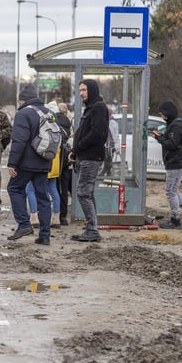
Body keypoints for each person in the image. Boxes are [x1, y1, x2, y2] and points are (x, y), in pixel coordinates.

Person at [5, 84, 53, 245]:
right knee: (43, 197)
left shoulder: (23, 113)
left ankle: (24, 224)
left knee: (14, 188)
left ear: (22, 100)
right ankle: (45, 236)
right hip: (45, 161)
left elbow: (19, 140)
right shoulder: (49, 112)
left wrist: (12, 163)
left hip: (26, 162)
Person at [69, 79, 109, 242]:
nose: (81, 93)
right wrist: (75, 151)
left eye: (84, 90)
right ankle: (92, 228)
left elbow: (97, 133)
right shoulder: (91, 108)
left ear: (92, 90)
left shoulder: (98, 108)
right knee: (87, 193)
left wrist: (79, 146)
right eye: (80, 90)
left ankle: (92, 230)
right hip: (86, 156)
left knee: (83, 193)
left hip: (91, 157)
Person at [151, 101, 182, 228]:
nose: (161, 116)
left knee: (170, 192)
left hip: (177, 163)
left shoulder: (176, 125)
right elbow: (172, 141)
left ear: (168, 112)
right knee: (173, 190)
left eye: (162, 113)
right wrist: (161, 136)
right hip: (176, 163)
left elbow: (172, 144)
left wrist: (158, 138)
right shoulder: (173, 124)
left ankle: (175, 220)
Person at [51, 101, 73, 225]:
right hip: (65, 159)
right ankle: (62, 216)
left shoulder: (53, 120)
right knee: (63, 188)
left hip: (54, 157)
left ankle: (55, 214)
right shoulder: (67, 121)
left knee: (52, 187)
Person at [102, 111, 120, 175]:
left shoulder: (113, 123)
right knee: (106, 158)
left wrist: (117, 148)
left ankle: (107, 171)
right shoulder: (103, 122)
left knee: (109, 158)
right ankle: (106, 170)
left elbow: (116, 136)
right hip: (104, 144)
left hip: (111, 144)